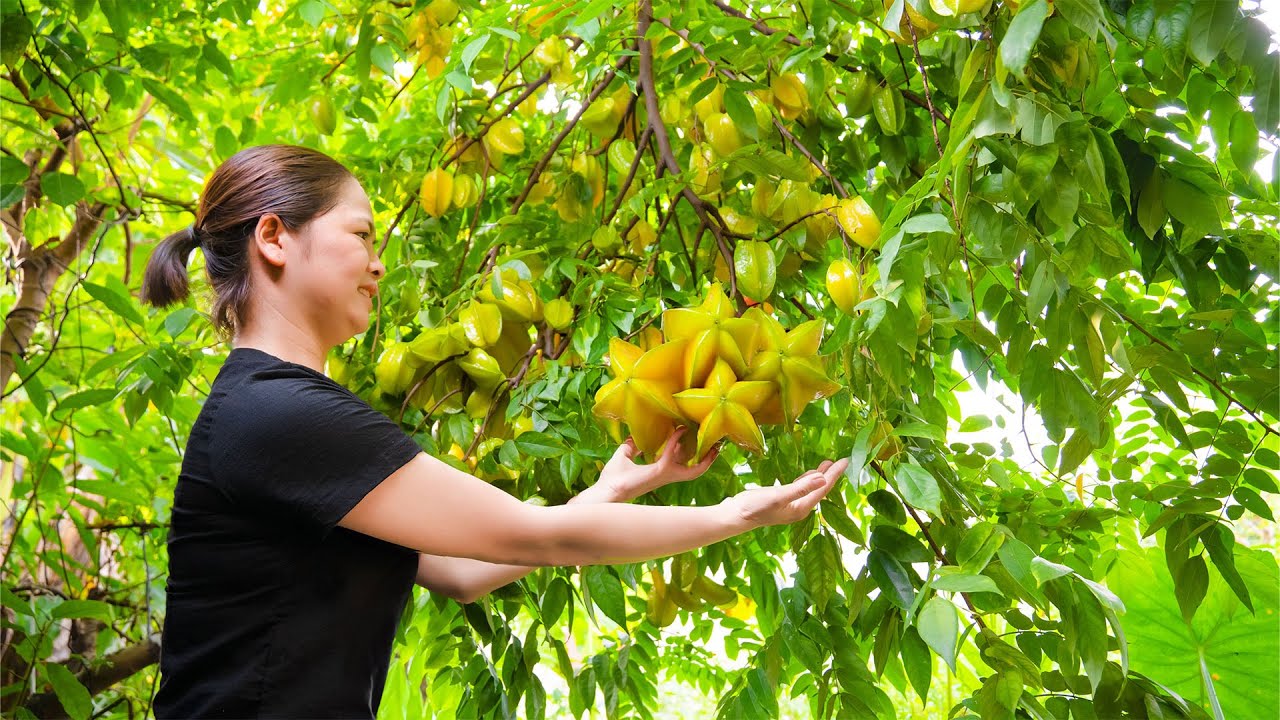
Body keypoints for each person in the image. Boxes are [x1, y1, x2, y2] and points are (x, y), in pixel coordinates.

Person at [140, 144, 847, 719]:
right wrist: (735, 514)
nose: (378, 263)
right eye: (360, 235)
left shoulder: (276, 413)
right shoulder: (278, 415)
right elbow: (534, 535)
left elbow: (462, 573)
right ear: (274, 238)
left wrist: (609, 491)